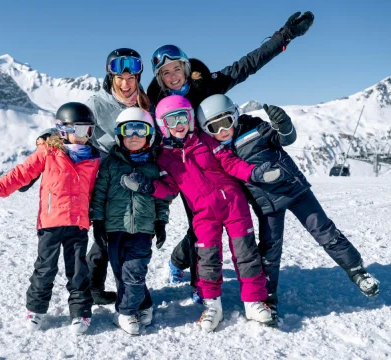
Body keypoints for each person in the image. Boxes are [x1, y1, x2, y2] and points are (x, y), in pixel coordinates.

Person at [147, 11, 315, 293]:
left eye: (177, 68)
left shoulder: (208, 84)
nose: (172, 76)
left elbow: (247, 65)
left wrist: (283, 37)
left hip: (227, 160)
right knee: (199, 228)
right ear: (160, 79)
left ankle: (257, 275)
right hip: (191, 169)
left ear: (187, 68)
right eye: (165, 73)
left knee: (243, 216)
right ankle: (195, 281)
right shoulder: (158, 105)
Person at [195, 94, 381, 321]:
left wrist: (284, 126)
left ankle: (357, 271)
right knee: (270, 252)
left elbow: (284, 138)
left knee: (324, 230)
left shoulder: (253, 126)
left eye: (227, 121)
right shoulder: (217, 151)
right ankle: (267, 299)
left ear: (235, 115)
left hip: (295, 190)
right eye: (214, 127)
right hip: (267, 204)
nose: (223, 130)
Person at [121, 95, 281, 332]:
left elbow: (230, 162)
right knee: (207, 259)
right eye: (172, 120)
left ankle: (253, 301)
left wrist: (253, 173)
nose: (179, 125)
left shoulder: (205, 140)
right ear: (163, 125)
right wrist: (148, 186)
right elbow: (170, 190)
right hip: (203, 213)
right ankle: (212, 305)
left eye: (183, 118)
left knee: (246, 253)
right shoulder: (164, 157)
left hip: (233, 203)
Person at [19, 48, 154, 306]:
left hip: (131, 178)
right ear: (111, 78)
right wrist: (47, 137)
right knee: (103, 235)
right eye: (120, 79)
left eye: (131, 79)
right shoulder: (98, 102)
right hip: (99, 176)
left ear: (138, 78)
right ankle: (95, 287)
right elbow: (73, 119)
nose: (126, 85)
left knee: (120, 234)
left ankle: (115, 287)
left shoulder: (145, 103)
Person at [0, 102, 101, 335]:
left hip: (78, 223)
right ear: (62, 130)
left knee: (79, 270)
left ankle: (80, 312)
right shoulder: (49, 153)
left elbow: (98, 192)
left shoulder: (94, 159)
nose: (83, 137)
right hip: (50, 222)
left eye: (88, 130)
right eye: (78, 130)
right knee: (45, 268)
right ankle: (36, 309)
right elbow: (21, 173)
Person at [89, 108, 169, 335]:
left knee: (134, 271)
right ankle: (144, 303)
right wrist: (98, 222)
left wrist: (161, 222)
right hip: (114, 229)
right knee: (120, 273)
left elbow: (161, 198)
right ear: (119, 135)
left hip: (143, 229)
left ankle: (125, 312)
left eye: (140, 130)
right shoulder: (111, 165)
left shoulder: (153, 167)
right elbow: (99, 194)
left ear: (149, 135)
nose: (134, 136)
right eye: (128, 130)